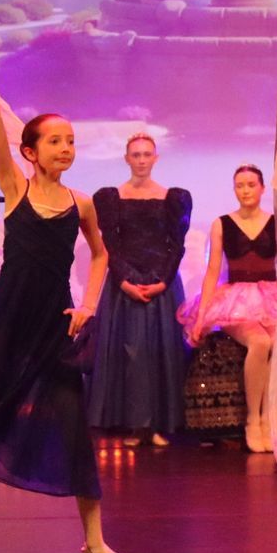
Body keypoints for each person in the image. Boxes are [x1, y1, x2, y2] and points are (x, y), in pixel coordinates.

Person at [0, 21, 143, 553]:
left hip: (54, 327)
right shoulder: (15, 186)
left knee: (74, 433)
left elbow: (101, 256)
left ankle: (96, 543)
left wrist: (88, 306)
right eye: (55, 140)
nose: (66, 147)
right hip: (4, 322)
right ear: (29, 151)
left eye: (70, 140)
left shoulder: (81, 203)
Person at [86, 134, 193, 447]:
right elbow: (109, 245)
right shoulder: (111, 197)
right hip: (124, 285)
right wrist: (124, 282)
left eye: (147, 154)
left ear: (156, 158)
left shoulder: (173, 198)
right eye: (136, 155)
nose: (142, 160)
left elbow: (177, 245)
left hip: (163, 284)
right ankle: (135, 424)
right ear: (127, 159)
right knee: (131, 353)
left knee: (162, 351)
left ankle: (159, 424)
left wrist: (162, 281)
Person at [181, 166, 277, 452]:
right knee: (260, 342)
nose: (245, 190)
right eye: (240, 185)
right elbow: (213, 270)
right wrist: (202, 316)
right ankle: (252, 420)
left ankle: (268, 418)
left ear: (262, 188)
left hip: (271, 294)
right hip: (236, 298)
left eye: (251, 184)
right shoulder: (222, 223)